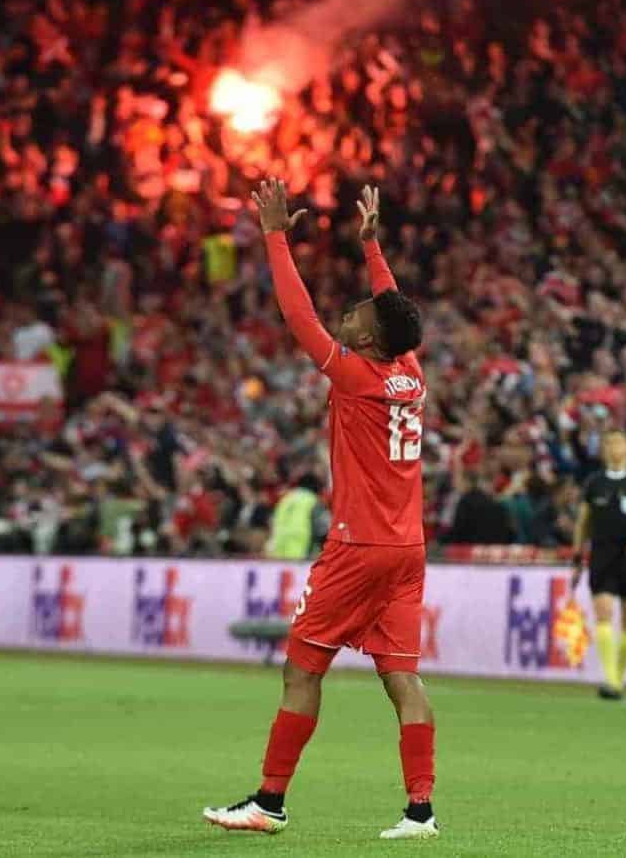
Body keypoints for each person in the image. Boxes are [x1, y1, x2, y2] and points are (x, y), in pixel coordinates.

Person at [204, 182, 438, 840]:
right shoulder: (408, 373)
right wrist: (370, 245)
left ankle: (269, 801)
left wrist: (274, 235)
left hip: (358, 545)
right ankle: (420, 809)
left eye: (361, 311)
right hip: (407, 549)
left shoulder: (356, 374)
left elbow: (296, 313)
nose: (352, 311)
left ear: (371, 337)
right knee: (401, 674)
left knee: (301, 665)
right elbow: (397, 313)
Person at [571, 429, 626, 701]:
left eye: (618, 442)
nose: (613, 448)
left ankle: (617, 677)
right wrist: (576, 558)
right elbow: (583, 524)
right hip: (602, 557)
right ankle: (611, 681)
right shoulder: (594, 484)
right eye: (608, 443)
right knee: (603, 615)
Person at [265, 474, 323, 561]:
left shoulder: (286, 499)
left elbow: (271, 520)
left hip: (278, 548)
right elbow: (321, 528)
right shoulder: (312, 500)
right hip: (300, 549)